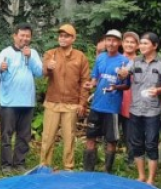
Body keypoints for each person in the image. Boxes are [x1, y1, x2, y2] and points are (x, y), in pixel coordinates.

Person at [0, 24, 43, 173]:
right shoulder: (5, 53)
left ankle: (19, 162)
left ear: (31, 38)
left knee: (24, 135)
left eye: (27, 36)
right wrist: (0, 69)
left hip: (27, 101)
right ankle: (6, 164)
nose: (24, 38)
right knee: (6, 134)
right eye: (22, 35)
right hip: (9, 101)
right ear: (15, 36)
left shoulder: (32, 53)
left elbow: (39, 72)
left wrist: (30, 58)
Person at [40, 24, 89, 171]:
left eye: (66, 36)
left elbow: (85, 81)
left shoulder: (80, 57)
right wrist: (48, 67)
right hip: (52, 102)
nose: (62, 38)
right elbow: (43, 74)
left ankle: (68, 168)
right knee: (47, 137)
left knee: (69, 138)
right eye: (61, 35)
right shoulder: (50, 53)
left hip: (71, 104)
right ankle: (44, 167)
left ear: (73, 38)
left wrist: (82, 103)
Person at [127, 33, 161, 185]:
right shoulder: (135, 61)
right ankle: (141, 175)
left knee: (151, 143)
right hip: (135, 108)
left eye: (146, 43)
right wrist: (121, 74)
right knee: (136, 143)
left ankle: (151, 179)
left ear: (155, 45)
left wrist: (158, 90)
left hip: (152, 111)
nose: (142, 46)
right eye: (141, 43)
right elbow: (125, 75)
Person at [83, 30, 131, 173]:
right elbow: (95, 78)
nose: (111, 43)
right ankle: (88, 170)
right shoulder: (100, 58)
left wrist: (116, 86)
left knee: (111, 141)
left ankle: (107, 172)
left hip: (112, 108)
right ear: (105, 41)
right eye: (108, 40)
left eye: (115, 40)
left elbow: (127, 85)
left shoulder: (125, 61)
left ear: (120, 43)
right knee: (90, 137)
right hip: (96, 105)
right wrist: (91, 84)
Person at [119, 31, 140, 165]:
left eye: (132, 42)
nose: (129, 44)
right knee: (111, 130)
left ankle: (131, 159)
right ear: (122, 44)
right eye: (126, 41)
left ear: (137, 45)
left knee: (130, 132)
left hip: (132, 101)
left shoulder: (140, 62)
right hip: (115, 100)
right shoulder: (116, 59)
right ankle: (109, 157)